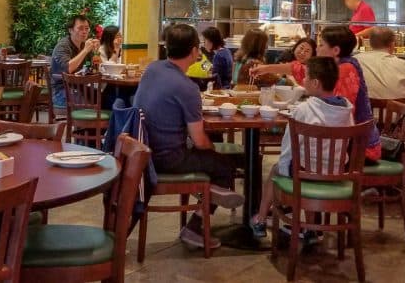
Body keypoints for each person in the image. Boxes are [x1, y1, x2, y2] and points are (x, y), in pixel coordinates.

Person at [134, 24, 244, 249]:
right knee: (225, 167)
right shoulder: (187, 87)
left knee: (217, 162)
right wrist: (214, 152)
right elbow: (200, 140)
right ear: (195, 51)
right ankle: (197, 224)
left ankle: (210, 192)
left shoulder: (152, 69)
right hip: (167, 158)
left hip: (143, 148)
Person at [249, 57, 354, 238]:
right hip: (337, 173)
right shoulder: (346, 111)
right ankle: (310, 227)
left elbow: (288, 150)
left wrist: (283, 170)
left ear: (315, 82)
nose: (303, 81)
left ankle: (260, 217)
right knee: (307, 165)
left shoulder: (302, 110)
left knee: (276, 169)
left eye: (305, 77)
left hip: (305, 173)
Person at [317, 26, 381, 162]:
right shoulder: (341, 65)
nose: (317, 49)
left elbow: (341, 112)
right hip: (349, 141)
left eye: (321, 45)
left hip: (360, 148)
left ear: (335, 50)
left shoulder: (346, 70)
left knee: (296, 161)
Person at [50, 15, 100, 111]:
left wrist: (96, 52)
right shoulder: (63, 46)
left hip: (81, 87)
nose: (84, 32)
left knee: (106, 98)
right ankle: (86, 125)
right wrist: (85, 51)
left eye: (87, 28)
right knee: (88, 106)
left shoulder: (84, 45)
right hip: (61, 91)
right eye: (80, 28)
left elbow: (94, 68)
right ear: (70, 30)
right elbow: (68, 68)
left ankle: (100, 126)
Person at [354, 28, 405, 100]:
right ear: (392, 44)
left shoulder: (355, 61)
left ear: (370, 43)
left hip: (366, 110)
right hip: (399, 110)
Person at [250, 37, 315, 86]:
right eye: (301, 48)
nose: (302, 53)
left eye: (307, 51)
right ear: (296, 46)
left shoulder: (311, 68)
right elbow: (275, 75)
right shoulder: (286, 56)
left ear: (312, 55)